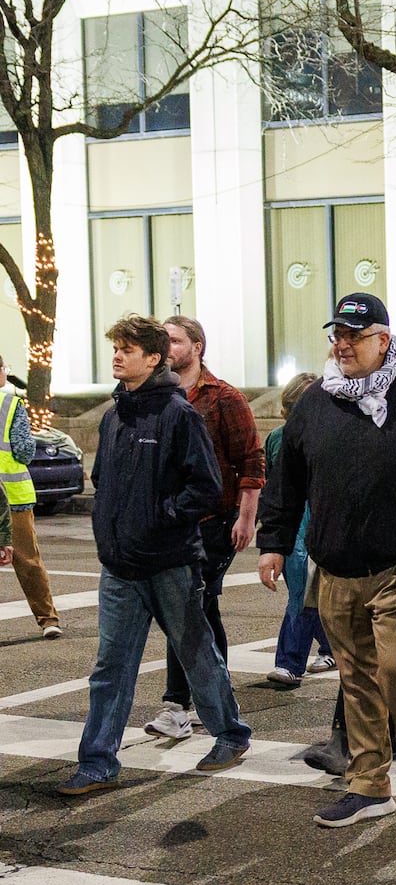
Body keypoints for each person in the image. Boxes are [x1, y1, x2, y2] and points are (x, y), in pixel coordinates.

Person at [256, 292, 396, 828]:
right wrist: (274, 541)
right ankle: (370, 786)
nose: (343, 345)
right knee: (357, 680)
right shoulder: (316, 401)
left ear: (383, 340)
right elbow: (287, 482)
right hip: (335, 569)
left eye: (355, 335)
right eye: (338, 336)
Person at [57, 315, 252, 796]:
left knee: (197, 656)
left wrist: (159, 516)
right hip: (121, 566)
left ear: (154, 357)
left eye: (128, 349)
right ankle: (98, 762)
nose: (118, 356)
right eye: (116, 348)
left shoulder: (178, 413)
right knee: (110, 668)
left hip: (170, 563)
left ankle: (230, 734)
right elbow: (102, 480)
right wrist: (114, 527)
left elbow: (206, 488)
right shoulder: (114, 414)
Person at [141, 316, 266, 741]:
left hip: (214, 520)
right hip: (169, 522)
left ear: (196, 346)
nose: (167, 346)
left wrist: (247, 515)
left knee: (190, 607)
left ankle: (177, 704)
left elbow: (250, 459)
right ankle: (214, 690)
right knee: (197, 609)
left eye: (175, 340)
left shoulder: (223, 397)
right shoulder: (151, 396)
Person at [265, 372, 333, 685]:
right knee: (303, 591)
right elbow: (274, 487)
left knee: (308, 591)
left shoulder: (331, 434)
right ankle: (318, 650)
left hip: (322, 519)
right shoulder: (278, 438)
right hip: (295, 523)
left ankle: (291, 661)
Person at [0, 356, 60, 639]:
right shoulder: (11, 404)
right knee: (27, 560)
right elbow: (24, 451)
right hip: (13, 497)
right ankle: (47, 619)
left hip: (11, 495)